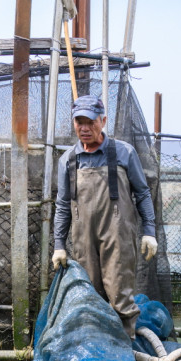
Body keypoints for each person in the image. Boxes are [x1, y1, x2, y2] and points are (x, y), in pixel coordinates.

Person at [51, 94, 157, 339]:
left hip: (118, 236)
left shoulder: (124, 152)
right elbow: (63, 204)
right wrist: (59, 245)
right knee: (89, 297)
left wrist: (149, 232)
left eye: (91, 122)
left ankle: (124, 347)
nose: (85, 128)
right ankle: (95, 346)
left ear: (103, 121)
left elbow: (142, 193)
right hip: (83, 239)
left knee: (120, 296)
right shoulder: (68, 160)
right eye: (79, 122)